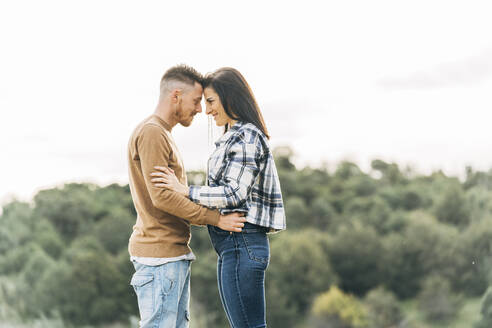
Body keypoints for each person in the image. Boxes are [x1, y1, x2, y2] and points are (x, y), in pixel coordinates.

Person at [151, 67, 286, 328]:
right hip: (234, 245)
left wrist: (184, 190)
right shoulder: (233, 136)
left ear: (230, 97)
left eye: (211, 101)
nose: (208, 110)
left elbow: (234, 193)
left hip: (242, 242)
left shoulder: (246, 137)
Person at [127, 65, 247, 328]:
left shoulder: (161, 134)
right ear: (176, 96)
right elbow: (163, 198)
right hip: (160, 256)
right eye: (196, 101)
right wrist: (216, 220)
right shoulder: (152, 132)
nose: (199, 109)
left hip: (170, 254)